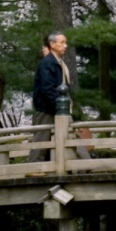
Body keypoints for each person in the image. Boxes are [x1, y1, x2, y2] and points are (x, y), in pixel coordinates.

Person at [29, 32, 69, 162]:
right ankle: (33, 167)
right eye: (62, 42)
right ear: (52, 44)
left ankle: (84, 165)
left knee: (69, 135)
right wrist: (59, 105)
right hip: (48, 108)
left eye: (65, 42)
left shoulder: (57, 62)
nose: (65, 46)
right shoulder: (47, 63)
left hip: (58, 107)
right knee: (41, 138)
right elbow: (47, 89)